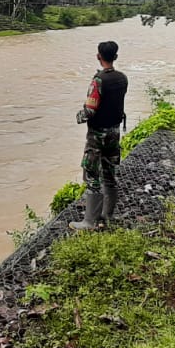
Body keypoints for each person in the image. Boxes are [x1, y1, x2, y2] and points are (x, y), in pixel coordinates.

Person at [70, 41, 128, 231]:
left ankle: (89, 222)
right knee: (110, 173)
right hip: (114, 131)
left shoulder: (98, 80)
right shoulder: (122, 78)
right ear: (116, 57)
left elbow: (90, 110)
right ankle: (107, 216)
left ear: (98, 56)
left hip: (97, 136)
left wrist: (78, 116)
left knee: (92, 174)